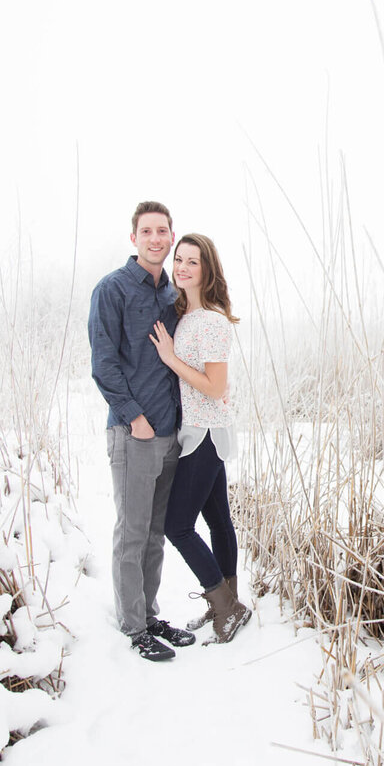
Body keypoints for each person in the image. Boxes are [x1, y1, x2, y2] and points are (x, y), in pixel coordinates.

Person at [88, 201, 196, 661]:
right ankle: (134, 626)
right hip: (133, 433)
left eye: (163, 231)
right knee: (132, 532)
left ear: (171, 237)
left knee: (154, 533)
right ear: (133, 238)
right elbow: (103, 362)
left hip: (171, 433)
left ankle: (150, 614)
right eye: (147, 231)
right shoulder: (112, 290)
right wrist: (134, 416)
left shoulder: (173, 295)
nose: (156, 238)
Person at [150, 233, 251, 644]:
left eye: (193, 261)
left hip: (206, 433)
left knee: (178, 526)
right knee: (218, 520)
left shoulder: (209, 321)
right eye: (180, 259)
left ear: (207, 269)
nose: (183, 267)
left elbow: (214, 386)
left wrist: (171, 359)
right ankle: (227, 605)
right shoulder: (187, 316)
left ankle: (227, 606)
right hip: (202, 428)